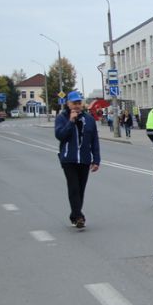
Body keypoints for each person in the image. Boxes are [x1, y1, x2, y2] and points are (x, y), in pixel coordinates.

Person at [54, 91, 100, 228]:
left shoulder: (89, 119)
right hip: (69, 159)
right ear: (68, 103)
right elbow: (60, 135)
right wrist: (71, 121)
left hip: (84, 160)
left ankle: (75, 214)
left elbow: (94, 140)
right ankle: (79, 216)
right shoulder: (62, 118)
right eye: (74, 103)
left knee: (80, 189)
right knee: (73, 188)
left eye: (79, 103)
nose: (77, 106)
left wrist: (96, 160)